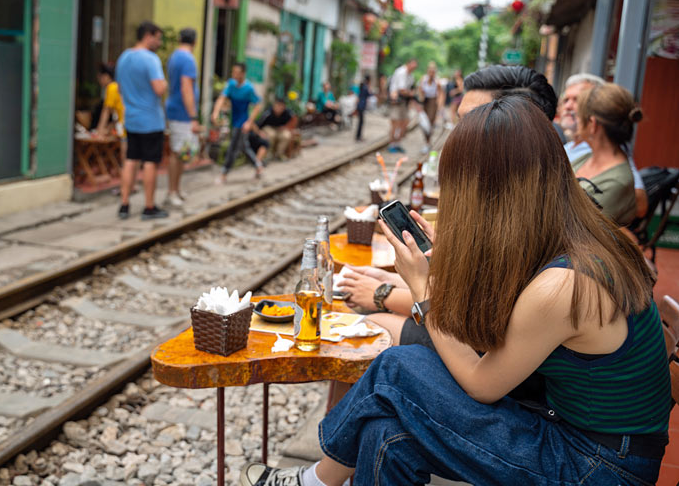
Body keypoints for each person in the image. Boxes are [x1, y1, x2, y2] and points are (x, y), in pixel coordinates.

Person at [239, 95, 670, 486]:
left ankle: (313, 482)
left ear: (493, 193)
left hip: (598, 464)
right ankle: (316, 481)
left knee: (398, 368)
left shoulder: (563, 283)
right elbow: (494, 330)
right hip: (576, 433)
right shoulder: (574, 236)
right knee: (385, 434)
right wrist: (445, 266)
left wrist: (424, 286)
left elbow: (483, 385)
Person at [343, 64, 560, 347]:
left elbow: (473, 312)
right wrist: (394, 281)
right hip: (482, 338)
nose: (458, 135)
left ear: (517, 125)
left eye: (471, 122)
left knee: (369, 327)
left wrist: (382, 293)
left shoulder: (519, 207)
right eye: (459, 122)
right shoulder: (510, 186)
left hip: (490, 353)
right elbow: (467, 290)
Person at [559, 73, 648, 218]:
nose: (569, 108)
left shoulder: (616, 180)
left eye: (579, 108)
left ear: (592, 125)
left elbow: (579, 227)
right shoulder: (588, 156)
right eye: (566, 100)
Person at [115, 21, 168, 220]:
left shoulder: (124, 57)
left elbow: (119, 89)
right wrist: (165, 83)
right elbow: (159, 89)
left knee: (130, 160)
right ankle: (149, 206)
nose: (159, 42)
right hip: (151, 120)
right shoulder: (151, 60)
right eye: (158, 38)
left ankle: (124, 204)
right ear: (148, 36)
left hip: (131, 119)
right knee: (149, 163)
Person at [165, 28, 201, 208]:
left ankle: (176, 189)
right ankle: (171, 192)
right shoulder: (187, 59)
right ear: (195, 42)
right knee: (178, 153)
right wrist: (193, 116)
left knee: (180, 152)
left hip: (176, 110)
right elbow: (187, 88)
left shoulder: (174, 57)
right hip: (182, 113)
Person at [212, 62, 264, 184]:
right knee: (243, 147)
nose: (234, 74)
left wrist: (249, 122)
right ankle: (258, 165)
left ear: (243, 74)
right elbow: (222, 98)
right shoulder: (231, 84)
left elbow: (257, 105)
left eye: (237, 72)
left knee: (233, 147)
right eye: (233, 72)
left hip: (243, 122)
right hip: (234, 120)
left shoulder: (249, 88)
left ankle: (224, 173)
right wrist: (215, 112)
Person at [92, 64, 126, 160]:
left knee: (126, 157)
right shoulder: (118, 86)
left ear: (106, 76)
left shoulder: (111, 87)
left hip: (126, 125)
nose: (99, 81)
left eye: (100, 78)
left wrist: (99, 131)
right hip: (129, 123)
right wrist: (108, 128)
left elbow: (106, 111)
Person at [387, 59, 417, 153]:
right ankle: (392, 144)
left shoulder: (410, 75)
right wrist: (411, 94)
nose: (413, 68)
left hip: (404, 102)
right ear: (408, 64)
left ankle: (397, 143)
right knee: (395, 123)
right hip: (396, 101)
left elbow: (409, 89)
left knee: (404, 122)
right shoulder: (401, 72)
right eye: (412, 66)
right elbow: (401, 90)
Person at [418, 61, 443, 139]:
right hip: (425, 100)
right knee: (424, 121)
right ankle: (426, 138)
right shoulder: (424, 79)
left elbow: (440, 94)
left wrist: (439, 106)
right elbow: (419, 90)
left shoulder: (437, 81)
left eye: (433, 71)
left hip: (433, 101)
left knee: (430, 120)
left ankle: (428, 139)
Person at [354, 75, 371, 141]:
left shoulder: (362, 86)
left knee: (360, 122)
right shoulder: (365, 87)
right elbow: (369, 94)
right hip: (361, 106)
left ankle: (358, 136)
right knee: (361, 122)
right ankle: (358, 136)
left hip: (360, 105)